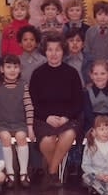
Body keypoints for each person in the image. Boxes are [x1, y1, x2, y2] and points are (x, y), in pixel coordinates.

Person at [29, 31, 83, 189]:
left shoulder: (72, 73)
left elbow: (78, 102)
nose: (53, 54)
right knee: (47, 140)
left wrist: (66, 117)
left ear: (63, 52)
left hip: (68, 119)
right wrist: (47, 117)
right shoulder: (37, 74)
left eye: (57, 50)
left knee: (69, 134)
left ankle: (51, 171)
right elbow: (33, 102)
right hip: (43, 119)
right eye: (50, 49)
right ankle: (57, 170)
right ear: (45, 51)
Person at [0, 54, 34, 188]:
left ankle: (23, 173)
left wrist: (30, 127)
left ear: (20, 69)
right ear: (2, 69)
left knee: (21, 136)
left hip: (19, 123)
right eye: (8, 67)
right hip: (2, 124)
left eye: (15, 67)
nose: (12, 70)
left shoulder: (23, 86)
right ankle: (10, 173)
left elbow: (29, 106)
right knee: (5, 137)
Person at [84, 60, 108, 133]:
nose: (99, 77)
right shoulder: (86, 92)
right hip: (92, 122)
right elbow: (88, 112)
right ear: (91, 75)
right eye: (95, 74)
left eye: (102, 74)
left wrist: (105, 126)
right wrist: (97, 125)